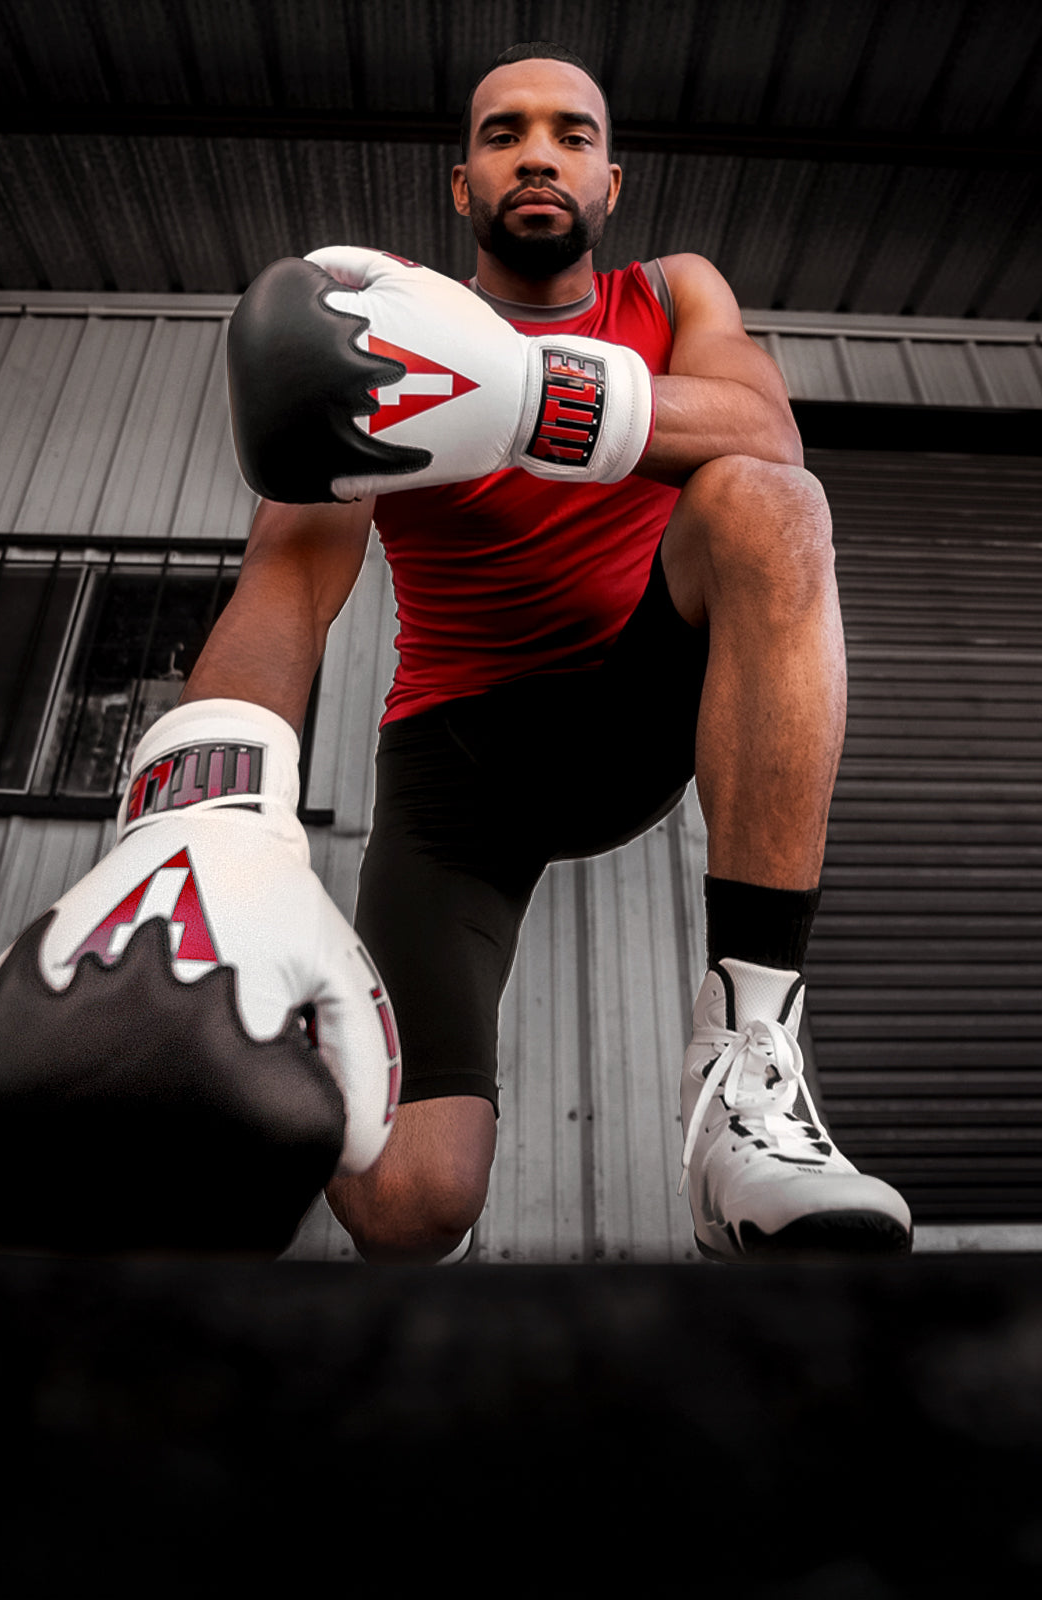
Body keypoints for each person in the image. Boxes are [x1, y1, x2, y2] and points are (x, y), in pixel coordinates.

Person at [197, 42, 913, 1264]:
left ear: (611, 182)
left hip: (629, 708)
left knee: (770, 501)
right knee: (419, 1205)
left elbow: (764, 429)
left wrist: (522, 390)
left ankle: (749, 1070)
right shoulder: (384, 334)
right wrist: (195, 833)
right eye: (504, 133)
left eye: (571, 134)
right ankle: (304, 1056)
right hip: (456, 773)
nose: (539, 152)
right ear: (463, 186)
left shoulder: (675, 292)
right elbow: (290, 577)